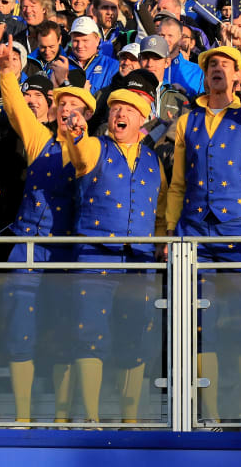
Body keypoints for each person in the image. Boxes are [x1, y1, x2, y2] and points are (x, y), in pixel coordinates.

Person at [165, 14, 241, 426]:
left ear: (236, 78)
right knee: (199, 327)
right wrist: (169, 233)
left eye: (227, 66)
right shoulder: (185, 121)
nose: (218, 68)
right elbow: (177, 185)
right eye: (212, 64)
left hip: (238, 233)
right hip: (193, 233)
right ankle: (207, 415)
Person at [0, 42, 90, 424]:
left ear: (86, 114)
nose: (67, 111)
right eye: (62, 104)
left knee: (64, 337)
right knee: (21, 334)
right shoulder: (38, 140)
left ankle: (64, 417)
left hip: (68, 251)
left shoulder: (95, 148)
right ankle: (22, 417)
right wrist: (6, 72)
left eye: (75, 107)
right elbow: (17, 108)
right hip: (28, 248)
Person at [62, 84, 168, 424]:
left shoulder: (153, 160)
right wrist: (75, 135)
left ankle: (130, 420)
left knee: (135, 337)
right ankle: (91, 417)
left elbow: (163, 210)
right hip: (94, 256)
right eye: (115, 109)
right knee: (89, 334)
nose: (120, 114)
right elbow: (80, 155)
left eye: (129, 110)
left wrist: (163, 242)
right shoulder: (95, 146)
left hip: (139, 261)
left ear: (142, 120)